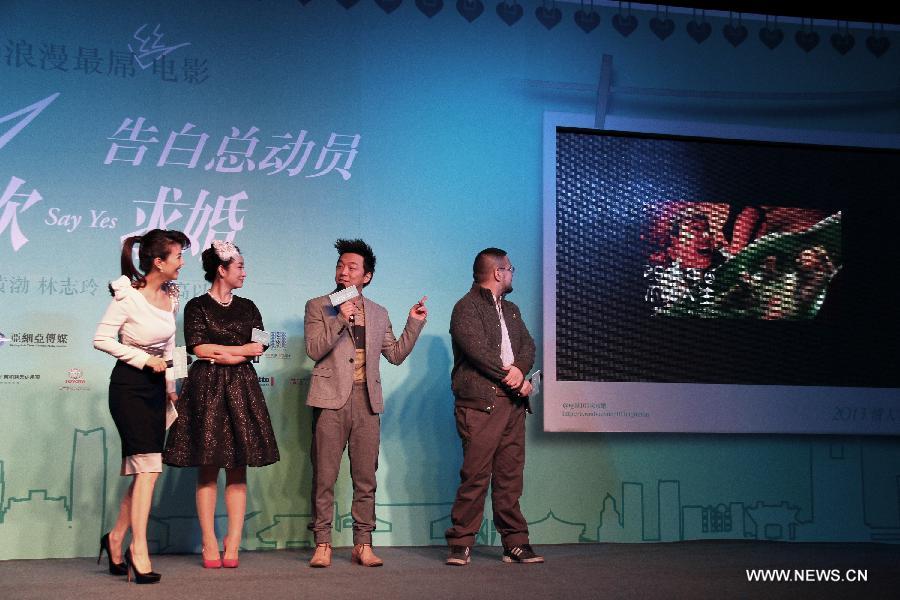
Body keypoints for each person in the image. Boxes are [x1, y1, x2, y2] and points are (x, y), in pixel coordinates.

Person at [304, 239, 427, 568]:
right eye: (340, 266)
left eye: (352, 267)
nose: (344, 272)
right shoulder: (319, 306)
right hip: (330, 400)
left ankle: (363, 544)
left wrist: (413, 322)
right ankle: (323, 543)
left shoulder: (378, 312)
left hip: (367, 400)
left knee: (365, 477)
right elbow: (315, 349)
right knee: (325, 476)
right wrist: (341, 317)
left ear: (366, 276)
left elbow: (395, 355)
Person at [164, 241, 280, 569]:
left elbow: (262, 344)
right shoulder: (197, 306)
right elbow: (199, 349)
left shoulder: (249, 306)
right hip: (206, 389)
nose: (244, 272)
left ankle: (234, 542)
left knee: (238, 467)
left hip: (242, 389)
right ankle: (209, 540)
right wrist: (237, 351)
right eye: (240, 266)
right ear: (222, 269)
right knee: (207, 466)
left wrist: (231, 353)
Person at [93, 228, 190, 584]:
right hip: (129, 387)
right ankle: (139, 551)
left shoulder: (172, 294)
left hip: (156, 389)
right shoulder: (127, 297)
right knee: (148, 470)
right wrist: (140, 359)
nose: (182, 264)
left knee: (144, 471)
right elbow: (101, 339)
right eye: (178, 257)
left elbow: (171, 345)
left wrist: (173, 384)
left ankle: (115, 538)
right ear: (158, 261)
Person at [445, 248, 542, 566]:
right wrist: (511, 375)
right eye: (510, 268)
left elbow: (528, 346)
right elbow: (477, 350)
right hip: (481, 405)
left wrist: (519, 372)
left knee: (510, 476)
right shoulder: (466, 307)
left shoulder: (512, 310)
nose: (513, 273)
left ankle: (515, 542)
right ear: (498, 272)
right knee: (475, 475)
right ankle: (461, 542)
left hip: (513, 405)